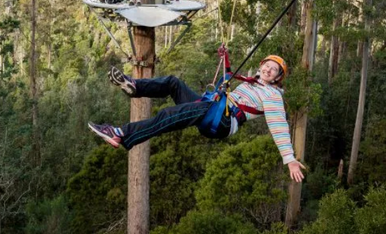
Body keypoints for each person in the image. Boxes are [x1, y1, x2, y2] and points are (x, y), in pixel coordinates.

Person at [87, 49, 307, 183]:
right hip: (212, 107)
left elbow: (278, 126)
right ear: (261, 67)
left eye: (274, 70)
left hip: (221, 120)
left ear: (277, 79)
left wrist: (289, 160)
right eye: (267, 66)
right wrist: (226, 58)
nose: (268, 70)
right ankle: (135, 86)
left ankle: (120, 134)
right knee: (173, 83)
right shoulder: (251, 82)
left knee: (168, 115)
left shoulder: (272, 95)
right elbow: (227, 77)